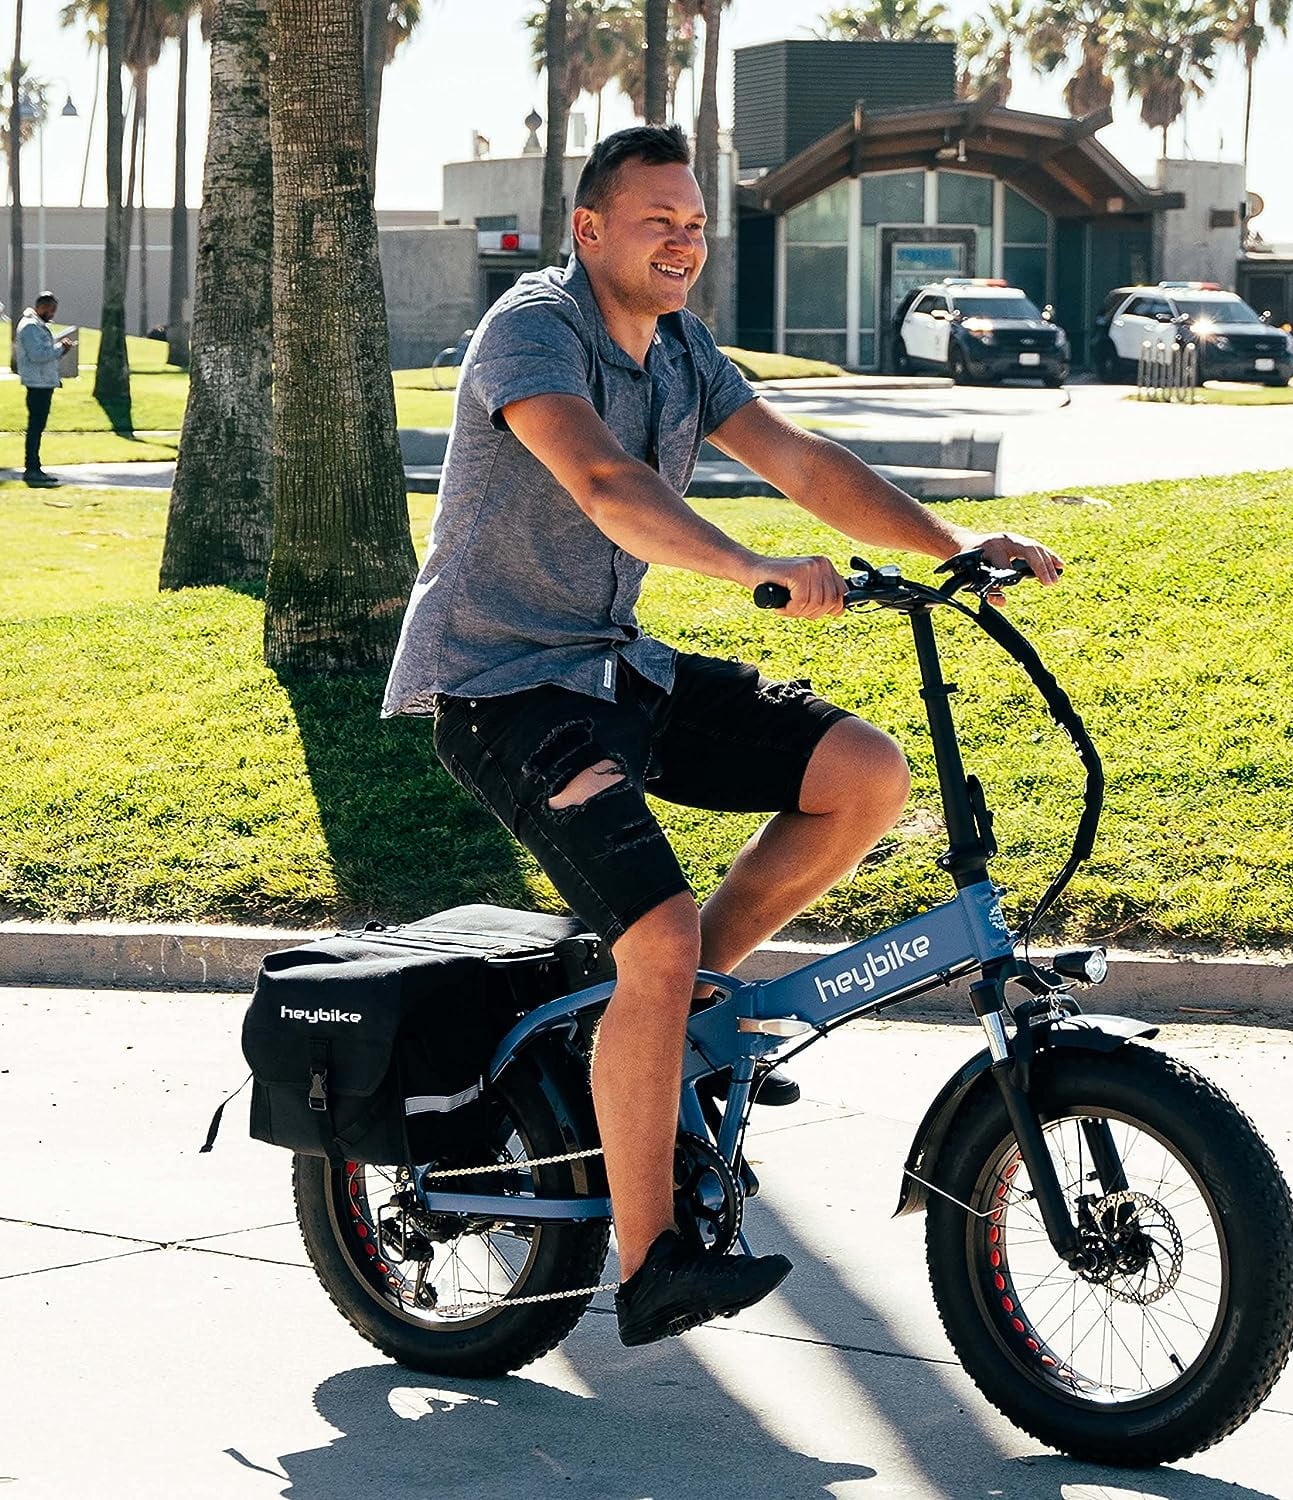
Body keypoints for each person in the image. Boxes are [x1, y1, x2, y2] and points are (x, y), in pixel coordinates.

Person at [382, 125, 1062, 1348]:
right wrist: (751, 567)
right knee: (654, 930)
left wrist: (953, 548)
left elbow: (800, 460)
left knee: (863, 775)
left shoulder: (684, 350)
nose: (683, 242)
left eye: (695, 224)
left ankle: (674, 1017)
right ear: (590, 230)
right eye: (659, 220)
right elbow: (604, 485)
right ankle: (653, 1261)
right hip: (503, 688)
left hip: (614, 667)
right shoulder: (535, 330)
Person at [15, 291, 74, 485]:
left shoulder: (37, 326)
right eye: (50, 309)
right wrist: (60, 348)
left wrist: (60, 349)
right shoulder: (30, 327)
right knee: (35, 427)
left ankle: (34, 466)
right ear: (41, 307)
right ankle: (32, 468)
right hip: (37, 384)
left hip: (43, 382)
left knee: (37, 426)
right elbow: (38, 355)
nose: (52, 314)